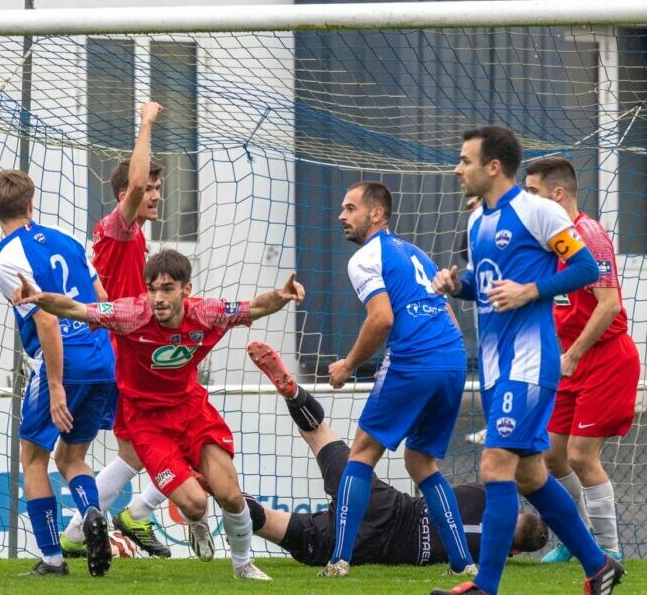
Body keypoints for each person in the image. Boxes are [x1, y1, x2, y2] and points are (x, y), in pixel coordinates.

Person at [11, 249, 305, 580]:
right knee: (195, 504)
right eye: (152, 289)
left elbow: (255, 306)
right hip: (147, 423)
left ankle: (243, 567)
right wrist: (39, 298)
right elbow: (77, 308)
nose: (158, 298)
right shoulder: (130, 314)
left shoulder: (208, 313)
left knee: (230, 495)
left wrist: (281, 296)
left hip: (192, 410)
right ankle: (196, 522)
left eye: (167, 289)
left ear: (186, 290)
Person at [430, 126, 624, 595]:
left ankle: (486, 586)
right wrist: (459, 285)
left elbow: (582, 268)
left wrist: (531, 290)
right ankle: (600, 566)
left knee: (495, 465)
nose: (457, 169)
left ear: (493, 166)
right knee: (531, 475)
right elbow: (488, 281)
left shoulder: (539, 211)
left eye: (465, 160)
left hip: (530, 361)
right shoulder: (477, 222)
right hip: (496, 366)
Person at [243, 343, 548, 567]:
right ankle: (223, 493)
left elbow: (441, 474)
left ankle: (294, 395)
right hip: (376, 546)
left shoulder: (487, 496)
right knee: (274, 523)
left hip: (384, 503)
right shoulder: (490, 555)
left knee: (319, 433)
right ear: (514, 552)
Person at [60, 101, 202, 560]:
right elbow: (136, 181)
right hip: (124, 357)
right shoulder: (116, 229)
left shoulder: (138, 236)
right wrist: (144, 123)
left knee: (141, 450)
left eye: (159, 188)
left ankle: (107, 524)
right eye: (151, 189)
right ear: (127, 194)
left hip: (130, 352)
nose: (156, 195)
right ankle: (95, 528)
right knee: (164, 443)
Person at [317, 182, 475, 577]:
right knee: (420, 460)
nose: (341, 215)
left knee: (362, 453)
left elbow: (382, 318)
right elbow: (448, 313)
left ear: (376, 214)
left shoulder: (364, 258)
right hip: (453, 358)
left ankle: (339, 560)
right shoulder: (415, 252)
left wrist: (348, 364)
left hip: (415, 358)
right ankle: (462, 564)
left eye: (350, 208)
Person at [0, 170, 117, 576]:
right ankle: (92, 512)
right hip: (100, 358)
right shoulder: (67, 239)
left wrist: (56, 386)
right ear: (30, 203)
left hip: (62, 361)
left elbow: (45, 323)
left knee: (33, 457)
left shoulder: (7, 261)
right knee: (72, 456)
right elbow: (103, 302)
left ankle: (53, 559)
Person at [524, 157, 639, 562]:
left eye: (533, 192)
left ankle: (607, 550)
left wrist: (571, 354)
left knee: (579, 456)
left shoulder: (588, 234)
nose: (527, 200)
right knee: (551, 457)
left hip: (606, 359)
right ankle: (577, 540)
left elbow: (608, 306)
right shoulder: (547, 239)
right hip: (569, 361)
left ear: (557, 195)